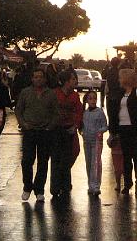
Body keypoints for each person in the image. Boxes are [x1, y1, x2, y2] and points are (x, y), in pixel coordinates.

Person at [106, 68, 137, 196]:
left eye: (121, 77)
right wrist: (113, 130)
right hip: (123, 128)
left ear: (126, 78)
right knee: (126, 157)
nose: (119, 80)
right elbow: (113, 112)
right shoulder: (119, 93)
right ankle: (127, 183)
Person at [15, 68, 59, 202]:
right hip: (29, 131)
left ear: (45, 79)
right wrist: (23, 124)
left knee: (43, 161)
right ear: (32, 79)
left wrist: (50, 126)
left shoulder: (51, 94)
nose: (38, 79)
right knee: (27, 160)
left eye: (41, 77)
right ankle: (27, 186)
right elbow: (18, 110)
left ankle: (39, 189)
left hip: (45, 132)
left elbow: (56, 113)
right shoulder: (25, 92)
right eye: (35, 77)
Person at [50, 69, 83, 198]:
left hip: (70, 129)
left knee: (72, 153)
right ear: (65, 81)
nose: (75, 81)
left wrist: (76, 125)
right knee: (56, 158)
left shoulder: (75, 96)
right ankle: (56, 186)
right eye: (73, 79)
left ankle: (64, 180)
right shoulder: (55, 94)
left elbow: (79, 112)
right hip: (57, 129)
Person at [80, 90, 108, 197]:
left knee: (96, 162)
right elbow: (81, 126)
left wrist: (100, 131)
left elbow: (105, 125)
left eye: (94, 98)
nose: (93, 100)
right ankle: (90, 185)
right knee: (89, 162)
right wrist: (82, 132)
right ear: (87, 100)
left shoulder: (100, 112)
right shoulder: (85, 113)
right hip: (86, 140)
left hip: (96, 141)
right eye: (90, 98)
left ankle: (96, 185)